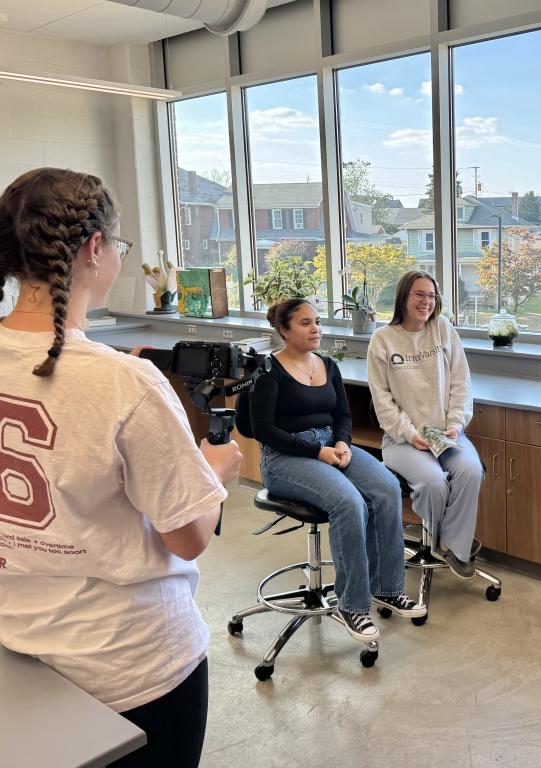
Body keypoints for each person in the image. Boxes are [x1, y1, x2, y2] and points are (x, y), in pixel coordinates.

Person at [0, 168, 243, 768]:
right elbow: (186, 538)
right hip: (131, 669)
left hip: (17, 642)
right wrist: (214, 472)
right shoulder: (126, 383)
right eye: (119, 245)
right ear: (93, 249)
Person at [251, 298, 426, 643]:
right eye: (305, 323)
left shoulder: (328, 365)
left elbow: (343, 416)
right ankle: (353, 605)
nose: (315, 329)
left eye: (317, 322)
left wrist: (343, 443)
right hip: (285, 458)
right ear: (284, 330)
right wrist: (317, 452)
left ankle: (387, 588)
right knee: (349, 503)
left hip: (332, 445)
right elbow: (264, 430)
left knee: (387, 487)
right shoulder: (269, 373)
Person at [367, 270, 481, 579]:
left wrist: (456, 424)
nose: (426, 301)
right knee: (433, 484)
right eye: (419, 294)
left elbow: (461, 383)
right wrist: (409, 433)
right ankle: (451, 543)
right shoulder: (383, 339)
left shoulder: (442, 328)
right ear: (403, 296)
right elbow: (382, 400)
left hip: (445, 433)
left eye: (431, 296)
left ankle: (447, 546)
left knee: (471, 471)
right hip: (402, 440)